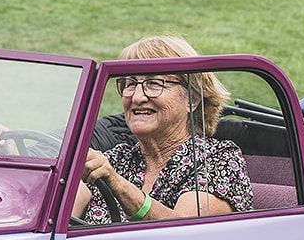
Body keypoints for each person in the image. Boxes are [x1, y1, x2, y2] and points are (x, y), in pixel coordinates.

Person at [74, 35, 252, 224]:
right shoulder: (117, 158)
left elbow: (183, 232)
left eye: (154, 83)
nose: (137, 97)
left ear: (192, 98)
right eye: (130, 83)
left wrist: (118, 184)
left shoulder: (217, 160)